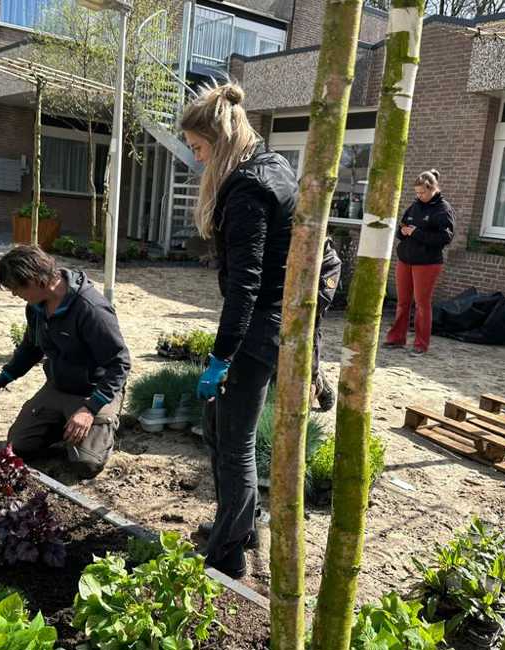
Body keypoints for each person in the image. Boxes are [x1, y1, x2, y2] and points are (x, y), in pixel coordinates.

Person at [181, 82, 295, 579]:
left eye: (199, 149)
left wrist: (221, 356)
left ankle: (229, 553)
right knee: (219, 426)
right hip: (271, 323)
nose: (199, 160)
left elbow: (247, 285)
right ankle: (238, 524)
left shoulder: (248, 189)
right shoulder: (274, 166)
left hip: (257, 327)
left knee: (235, 442)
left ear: (220, 139)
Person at [0, 245, 131, 478]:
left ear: (37, 280)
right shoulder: (36, 307)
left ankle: (103, 422)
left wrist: (90, 409)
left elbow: (120, 364)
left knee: (85, 464)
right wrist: (0, 381)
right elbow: (31, 348)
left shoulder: (90, 308)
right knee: (18, 446)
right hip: (59, 386)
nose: (14, 294)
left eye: (16, 288)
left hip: (93, 390)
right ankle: (64, 424)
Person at [383, 169, 455, 355]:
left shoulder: (443, 209)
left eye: (422, 192)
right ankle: (396, 339)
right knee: (402, 302)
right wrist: (403, 231)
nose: (419, 196)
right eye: (417, 192)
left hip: (427, 263)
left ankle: (421, 345)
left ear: (433, 189)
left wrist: (416, 233)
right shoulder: (413, 206)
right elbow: (401, 227)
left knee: (422, 304)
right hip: (405, 259)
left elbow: (445, 238)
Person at [311, 237, 342, 412]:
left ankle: (319, 384)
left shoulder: (329, 258)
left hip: (307, 332)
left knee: (308, 375)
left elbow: (321, 299)